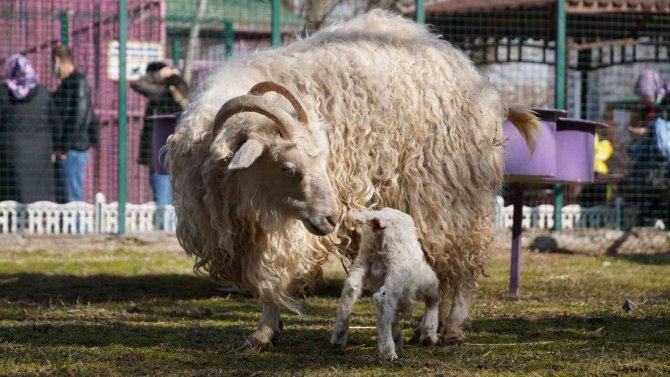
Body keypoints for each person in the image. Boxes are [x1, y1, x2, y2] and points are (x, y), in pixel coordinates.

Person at [0, 54, 59, 203]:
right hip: (41, 153)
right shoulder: (43, 93)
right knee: (39, 194)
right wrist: (57, 147)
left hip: (10, 152)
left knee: (11, 194)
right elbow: (55, 122)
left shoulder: (4, 93)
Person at [130, 61, 189, 205]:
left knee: (162, 196)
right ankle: (169, 225)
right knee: (173, 196)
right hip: (177, 150)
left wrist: (158, 75)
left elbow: (137, 84)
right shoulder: (182, 90)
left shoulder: (163, 91)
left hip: (159, 150)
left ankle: (164, 226)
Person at [623, 69, 670, 226]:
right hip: (649, 156)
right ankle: (648, 220)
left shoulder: (667, 102)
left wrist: (648, 130)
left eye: (645, 95)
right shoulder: (643, 108)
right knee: (645, 184)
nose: (644, 99)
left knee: (661, 184)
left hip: (664, 155)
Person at [51, 46, 97, 203]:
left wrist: (64, 146)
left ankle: (78, 227)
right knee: (64, 197)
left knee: (73, 197)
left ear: (58, 61)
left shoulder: (78, 82)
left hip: (74, 148)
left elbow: (78, 118)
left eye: (53, 64)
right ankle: (68, 228)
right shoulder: (66, 84)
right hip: (67, 148)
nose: (53, 69)